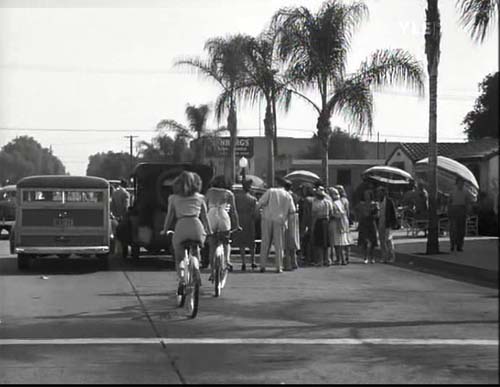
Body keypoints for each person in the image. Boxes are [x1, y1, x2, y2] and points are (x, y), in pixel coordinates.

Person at [160, 171, 212, 294]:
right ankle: (196, 266)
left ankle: (182, 278)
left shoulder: (173, 198)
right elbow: (205, 217)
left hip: (181, 226)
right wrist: (209, 231)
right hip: (196, 226)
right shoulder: (201, 198)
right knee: (196, 248)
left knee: (179, 257)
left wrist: (165, 230)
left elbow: (169, 216)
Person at [256, 178, 296, 273]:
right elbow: (292, 211)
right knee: (279, 244)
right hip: (280, 220)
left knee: (265, 242)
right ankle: (279, 266)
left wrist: (258, 212)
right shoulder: (287, 195)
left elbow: (260, 203)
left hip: (267, 218)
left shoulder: (270, 191)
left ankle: (262, 265)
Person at [205, 175, 241, 273]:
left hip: (211, 215)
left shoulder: (210, 191)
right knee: (226, 242)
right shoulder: (229, 194)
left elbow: (204, 207)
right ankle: (227, 260)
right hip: (223, 216)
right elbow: (234, 211)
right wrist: (237, 225)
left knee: (212, 246)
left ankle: (212, 271)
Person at [232, 179, 258, 271]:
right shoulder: (253, 199)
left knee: (241, 243)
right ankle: (253, 261)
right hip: (249, 221)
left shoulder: (236, 198)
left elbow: (233, 210)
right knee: (251, 242)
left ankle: (243, 262)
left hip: (240, 219)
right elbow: (256, 213)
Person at [309, 185, 333, 266]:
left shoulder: (315, 203)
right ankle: (327, 259)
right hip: (326, 221)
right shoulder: (328, 202)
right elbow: (331, 212)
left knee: (319, 242)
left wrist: (312, 226)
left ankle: (320, 260)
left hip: (319, 221)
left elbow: (314, 215)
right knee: (326, 241)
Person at [448, 176, 473, 252]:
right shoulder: (452, 191)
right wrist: (449, 211)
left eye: (462, 183)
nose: (461, 184)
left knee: (461, 229)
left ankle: (460, 245)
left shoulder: (466, 191)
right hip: (454, 210)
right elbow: (449, 201)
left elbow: (468, 202)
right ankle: (452, 244)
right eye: (459, 182)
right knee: (453, 229)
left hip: (462, 210)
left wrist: (468, 211)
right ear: (457, 183)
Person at [328, 187, 351, 265]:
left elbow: (338, 214)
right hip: (341, 223)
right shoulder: (339, 202)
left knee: (338, 242)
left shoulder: (335, 203)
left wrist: (331, 215)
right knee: (339, 242)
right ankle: (341, 258)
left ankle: (340, 259)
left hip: (336, 223)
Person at [355, 189, 379, 264]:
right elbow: (356, 211)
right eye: (365, 195)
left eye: (368, 195)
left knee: (372, 241)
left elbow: (377, 215)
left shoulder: (374, 204)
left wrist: (372, 214)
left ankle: (372, 257)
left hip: (371, 223)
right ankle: (365, 257)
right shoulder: (361, 205)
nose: (366, 196)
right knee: (364, 240)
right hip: (363, 223)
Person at [376, 186, 398, 263]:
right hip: (380, 223)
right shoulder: (378, 202)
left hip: (387, 223)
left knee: (388, 240)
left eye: (379, 192)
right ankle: (384, 257)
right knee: (382, 241)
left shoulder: (389, 201)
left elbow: (393, 212)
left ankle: (391, 256)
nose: (378, 194)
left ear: (383, 193)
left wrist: (394, 223)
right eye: (377, 192)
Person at [283, 179, 300, 271]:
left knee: (286, 240)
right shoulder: (295, 195)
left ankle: (288, 263)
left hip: (287, 217)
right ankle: (294, 261)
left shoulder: (285, 195)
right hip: (294, 217)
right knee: (293, 239)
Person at [334, 184, 352, 263]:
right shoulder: (346, 200)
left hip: (340, 220)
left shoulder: (339, 201)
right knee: (346, 239)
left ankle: (340, 258)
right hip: (345, 220)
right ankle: (347, 256)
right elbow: (347, 212)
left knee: (340, 240)